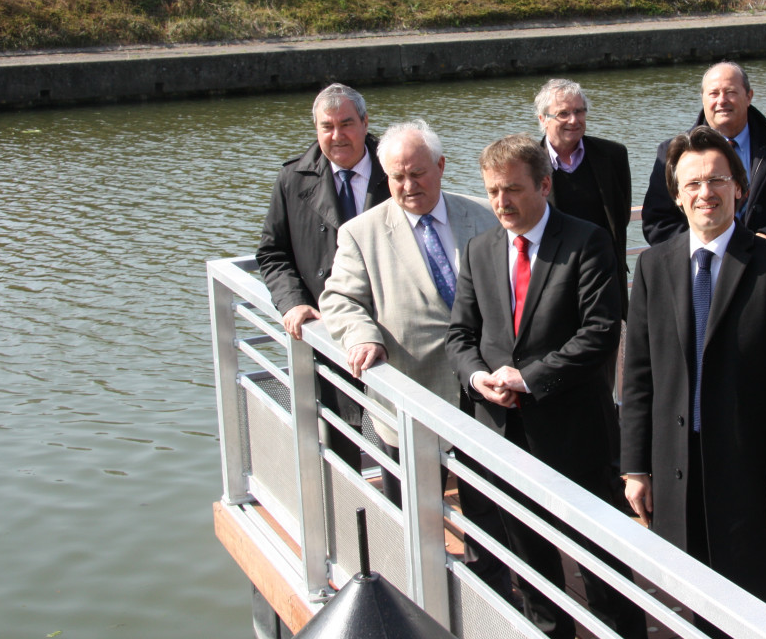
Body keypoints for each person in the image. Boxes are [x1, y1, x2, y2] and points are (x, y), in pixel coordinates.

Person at [445, 135, 645, 639]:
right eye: (492, 191)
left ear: (545, 185)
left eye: (512, 189)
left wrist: (529, 379)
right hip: (503, 431)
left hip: (576, 433)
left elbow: (601, 332)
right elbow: (461, 335)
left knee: (602, 561)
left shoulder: (587, 241)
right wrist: (478, 378)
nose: (501, 202)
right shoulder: (479, 249)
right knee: (529, 562)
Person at [621, 126, 766, 626]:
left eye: (716, 180)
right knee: (689, 596)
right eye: (692, 184)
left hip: (749, 470)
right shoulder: (652, 268)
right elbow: (639, 376)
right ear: (676, 196)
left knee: (751, 603)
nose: (705, 193)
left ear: (739, 187)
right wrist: (636, 467)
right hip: (677, 465)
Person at [319, 119, 509, 592]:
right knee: (413, 514)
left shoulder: (483, 215)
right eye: (398, 177)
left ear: (441, 167)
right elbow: (339, 299)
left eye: (418, 173)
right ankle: (423, 598)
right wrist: (362, 335)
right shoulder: (361, 233)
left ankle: (492, 594)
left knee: (488, 508)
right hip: (408, 396)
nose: (408, 186)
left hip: (483, 391)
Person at [256, 82, 388, 467]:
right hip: (330, 335)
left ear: (365, 123)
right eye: (326, 126)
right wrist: (293, 302)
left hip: (393, 329)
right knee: (340, 441)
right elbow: (272, 252)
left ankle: (407, 518)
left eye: (346, 123)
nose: (337, 135)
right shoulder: (293, 179)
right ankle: (352, 522)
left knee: (402, 441)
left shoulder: (400, 167)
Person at [641, 61, 766, 254]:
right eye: (713, 93)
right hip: (701, 269)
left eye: (730, 92)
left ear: (749, 96)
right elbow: (657, 222)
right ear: (703, 99)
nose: (722, 100)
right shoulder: (672, 153)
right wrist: (704, 248)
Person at [534, 78, 631, 293]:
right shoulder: (528, 162)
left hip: (603, 272)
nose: (574, 120)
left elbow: (620, 214)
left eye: (580, 111)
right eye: (563, 113)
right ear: (543, 119)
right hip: (550, 275)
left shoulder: (613, 155)